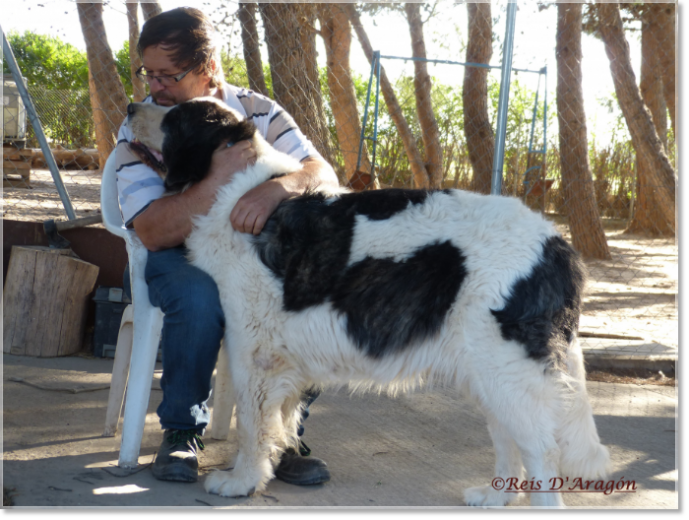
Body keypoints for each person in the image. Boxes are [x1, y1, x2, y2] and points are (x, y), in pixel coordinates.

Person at [115, 7, 339, 485]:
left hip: (253, 252)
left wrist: (279, 187)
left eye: (168, 75)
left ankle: (281, 435)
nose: (155, 87)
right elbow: (152, 229)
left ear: (208, 70)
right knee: (201, 297)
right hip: (181, 252)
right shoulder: (143, 122)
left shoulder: (258, 110)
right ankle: (181, 433)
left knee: (312, 288)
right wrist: (222, 178)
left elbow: (323, 173)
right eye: (148, 73)